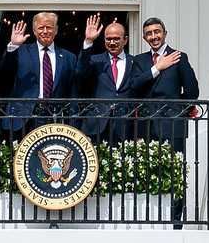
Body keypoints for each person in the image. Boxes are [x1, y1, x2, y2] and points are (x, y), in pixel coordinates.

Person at [130, 17, 199, 229]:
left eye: (157, 32)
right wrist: (157, 68)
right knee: (149, 171)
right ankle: (151, 220)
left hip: (173, 124)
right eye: (149, 33)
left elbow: (192, 92)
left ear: (165, 33)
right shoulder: (139, 61)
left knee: (174, 172)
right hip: (147, 125)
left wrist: (178, 111)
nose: (154, 36)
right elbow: (133, 88)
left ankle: (175, 223)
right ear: (144, 37)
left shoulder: (179, 57)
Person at [0, 12, 78, 136]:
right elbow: (5, 71)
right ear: (35, 31)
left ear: (56, 30)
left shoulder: (69, 57)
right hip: (23, 119)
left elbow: (73, 92)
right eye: (41, 28)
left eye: (49, 27)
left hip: (55, 119)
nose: (45, 31)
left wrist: (72, 123)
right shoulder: (21, 51)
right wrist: (13, 46)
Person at [76, 15, 135, 146]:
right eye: (108, 39)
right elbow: (81, 70)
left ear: (125, 40)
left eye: (116, 39)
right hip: (98, 123)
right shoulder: (97, 61)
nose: (112, 42)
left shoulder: (134, 62)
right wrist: (88, 41)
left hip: (125, 125)